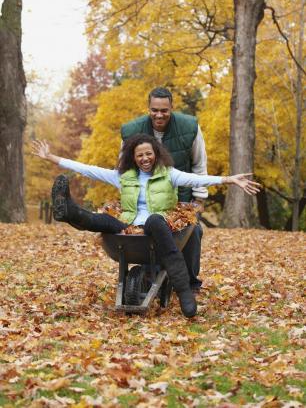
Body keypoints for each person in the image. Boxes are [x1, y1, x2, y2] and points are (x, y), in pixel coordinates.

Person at [32, 134, 261, 318]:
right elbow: (88, 169)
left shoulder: (169, 175)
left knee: (153, 220)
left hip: (159, 226)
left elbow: (196, 179)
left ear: (156, 155)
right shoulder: (123, 176)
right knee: (102, 220)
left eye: (148, 154)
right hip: (129, 228)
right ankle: (70, 211)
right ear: (133, 157)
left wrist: (228, 180)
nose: (144, 158)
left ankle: (183, 291)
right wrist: (51, 157)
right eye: (139, 155)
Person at [121, 87, 207, 292]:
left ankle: (188, 281)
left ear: (171, 108)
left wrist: (200, 199)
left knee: (192, 232)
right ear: (148, 108)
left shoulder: (189, 127)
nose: (159, 115)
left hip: (182, 197)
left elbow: (199, 165)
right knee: (146, 235)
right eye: (154, 110)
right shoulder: (132, 130)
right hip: (146, 197)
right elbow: (124, 167)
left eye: (164, 110)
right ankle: (152, 273)